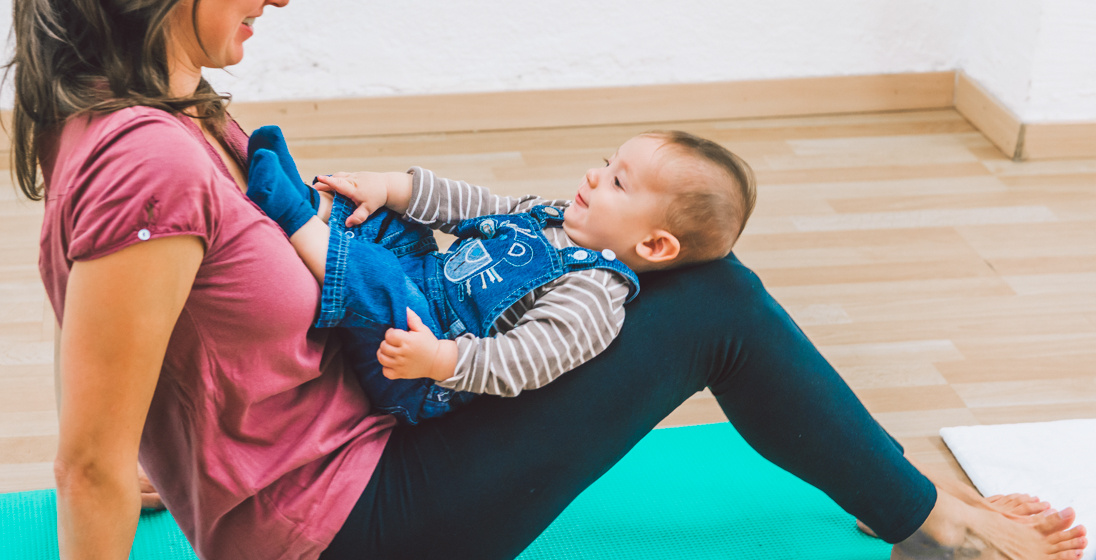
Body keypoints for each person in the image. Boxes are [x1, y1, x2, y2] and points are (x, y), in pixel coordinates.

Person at [12, 0, 1086, 560]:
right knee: (713, 301)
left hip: (332, 463)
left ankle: (888, 491)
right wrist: (151, 486)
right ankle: (928, 525)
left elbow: (172, 334)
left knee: (661, 282)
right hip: (359, 544)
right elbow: (86, 458)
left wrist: (197, 461)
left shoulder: (139, 103)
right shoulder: (153, 164)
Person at [240, 127, 756, 425]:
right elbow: (476, 205)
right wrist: (391, 187)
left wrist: (440, 360)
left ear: (653, 245)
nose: (594, 175)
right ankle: (315, 201)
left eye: (618, 183)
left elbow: (527, 359)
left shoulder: (594, 294)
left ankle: (294, 218)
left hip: (424, 363)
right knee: (395, 225)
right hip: (431, 279)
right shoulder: (554, 217)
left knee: (380, 281)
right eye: (607, 163)